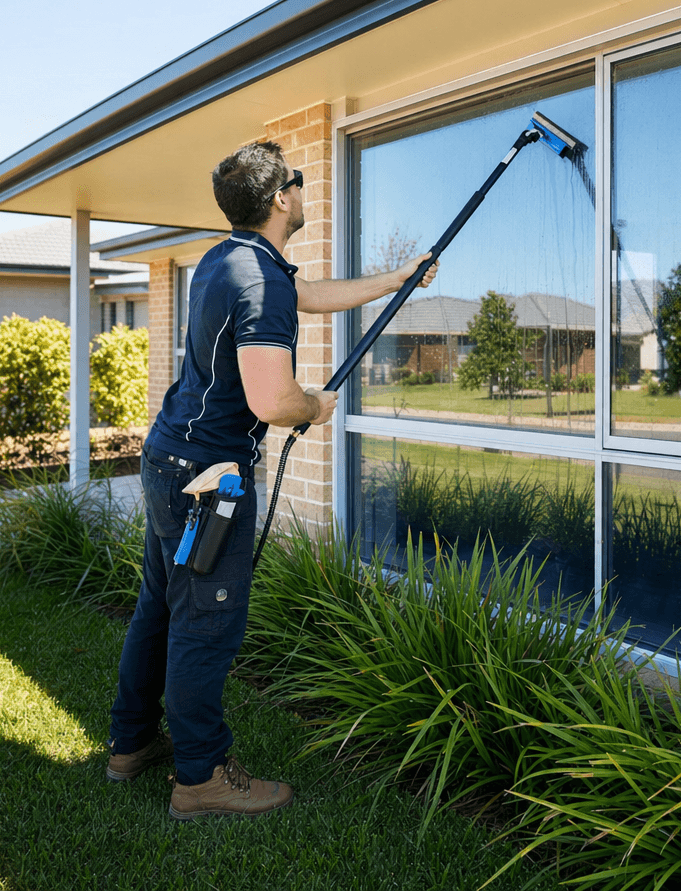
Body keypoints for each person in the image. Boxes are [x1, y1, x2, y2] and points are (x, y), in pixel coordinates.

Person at [105, 140, 437, 819]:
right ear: (282, 198)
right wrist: (314, 405)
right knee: (204, 622)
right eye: (301, 181)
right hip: (209, 479)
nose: (306, 189)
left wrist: (396, 278)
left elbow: (307, 293)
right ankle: (200, 778)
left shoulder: (231, 261)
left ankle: (130, 742)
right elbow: (271, 401)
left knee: (162, 607)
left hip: (173, 457)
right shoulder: (259, 281)